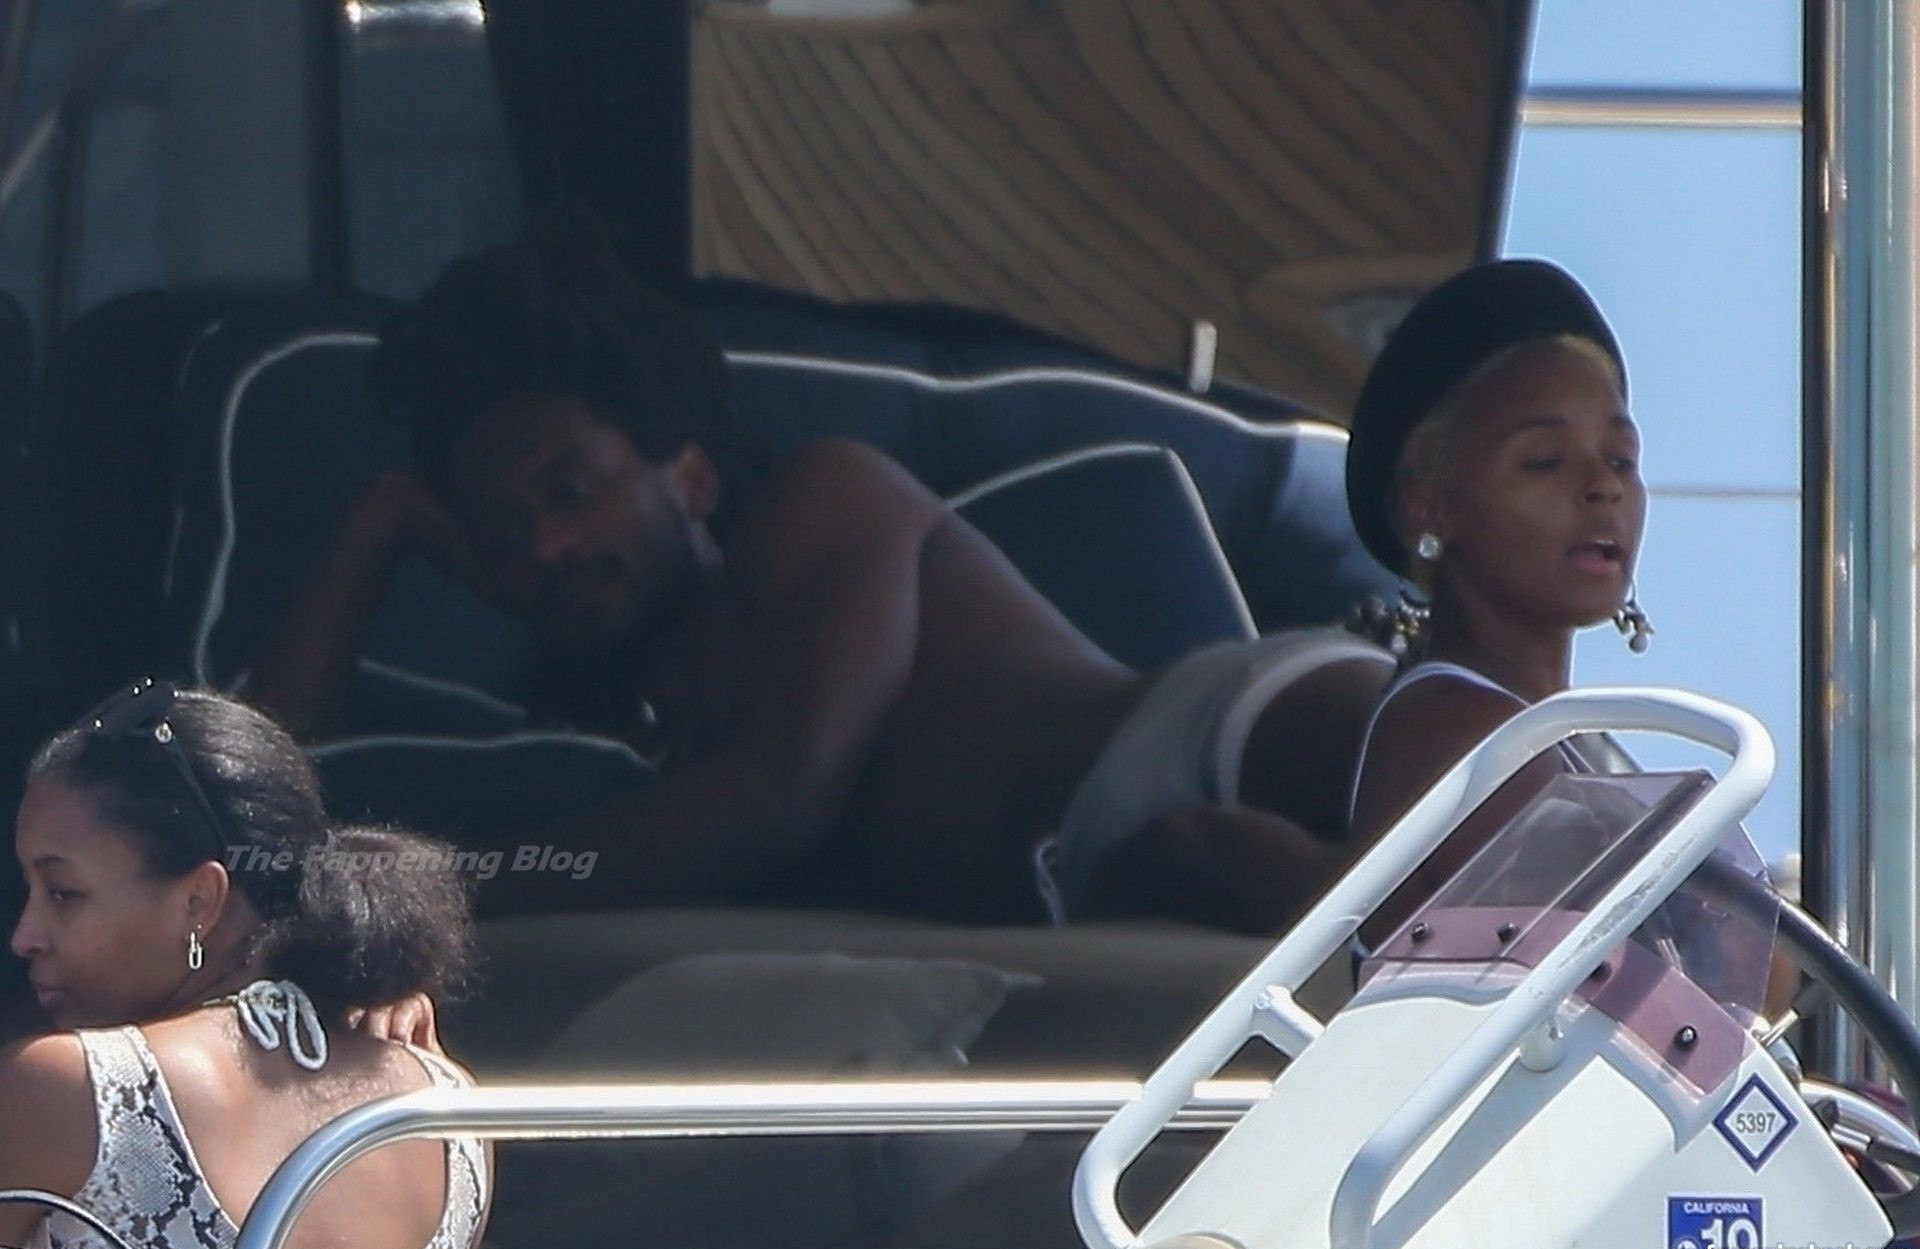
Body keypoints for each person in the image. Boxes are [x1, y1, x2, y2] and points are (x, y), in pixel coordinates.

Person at [247, 221, 1392, 931]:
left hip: (1197, 729)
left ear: (689, 475)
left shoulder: (823, 501)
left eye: (571, 491)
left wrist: (427, 891)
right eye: (502, 535)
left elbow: (781, 802)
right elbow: (248, 793)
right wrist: (377, 528)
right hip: (1107, 877)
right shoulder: (612, 737)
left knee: (1465, 825)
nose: (544, 547)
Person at [0, 679, 490, 1249]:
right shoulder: (449, 1108)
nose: (24, 936)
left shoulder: (64, 1088)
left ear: (199, 902)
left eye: (62, 892)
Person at [1340, 258, 1651, 933]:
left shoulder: (1547, 735)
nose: (1604, 486)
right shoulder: (1454, 727)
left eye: (1621, 459)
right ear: (1430, 505)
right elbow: (1636, 962)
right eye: (1545, 461)